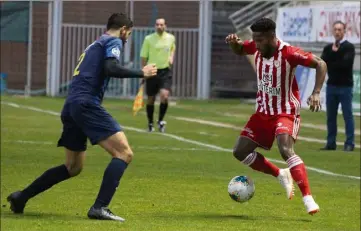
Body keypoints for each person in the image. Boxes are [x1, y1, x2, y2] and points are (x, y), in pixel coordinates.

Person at [7, 13, 157, 222]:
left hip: (71, 106)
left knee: (73, 167)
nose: (126, 38)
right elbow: (110, 68)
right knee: (124, 153)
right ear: (123, 30)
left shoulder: (95, 43)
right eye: (128, 34)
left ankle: (21, 197)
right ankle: (100, 207)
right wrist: (142, 73)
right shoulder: (113, 40)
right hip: (86, 104)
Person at [225, 18, 327, 215]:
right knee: (239, 151)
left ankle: (308, 198)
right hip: (262, 112)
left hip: (285, 111)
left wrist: (315, 92)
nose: (257, 44)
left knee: (285, 148)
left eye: (260, 40)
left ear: (272, 37)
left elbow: (321, 64)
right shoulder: (256, 47)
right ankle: (280, 174)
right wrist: (234, 45)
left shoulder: (289, 53)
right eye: (255, 40)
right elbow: (240, 50)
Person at [321, 20, 355, 152]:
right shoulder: (328, 48)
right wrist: (333, 57)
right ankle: (331, 142)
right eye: (335, 29)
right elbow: (322, 63)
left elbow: (345, 65)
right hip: (331, 86)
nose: (337, 32)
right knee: (331, 116)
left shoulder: (349, 47)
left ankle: (349, 143)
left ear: (344, 32)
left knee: (347, 116)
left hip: (345, 86)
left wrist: (333, 57)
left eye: (340, 29)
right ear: (332, 31)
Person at [140, 18, 176, 133]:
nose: (159, 26)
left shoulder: (171, 38)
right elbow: (144, 56)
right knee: (151, 99)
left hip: (165, 71)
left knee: (164, 96)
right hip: (152, 71)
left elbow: (172, 48)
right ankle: (150, 123)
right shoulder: (148, 39)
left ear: (165, 25)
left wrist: (171, 57)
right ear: (155, 26)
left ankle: (160, 121)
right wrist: (144, 71)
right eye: (157, 24)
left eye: (161, 24)